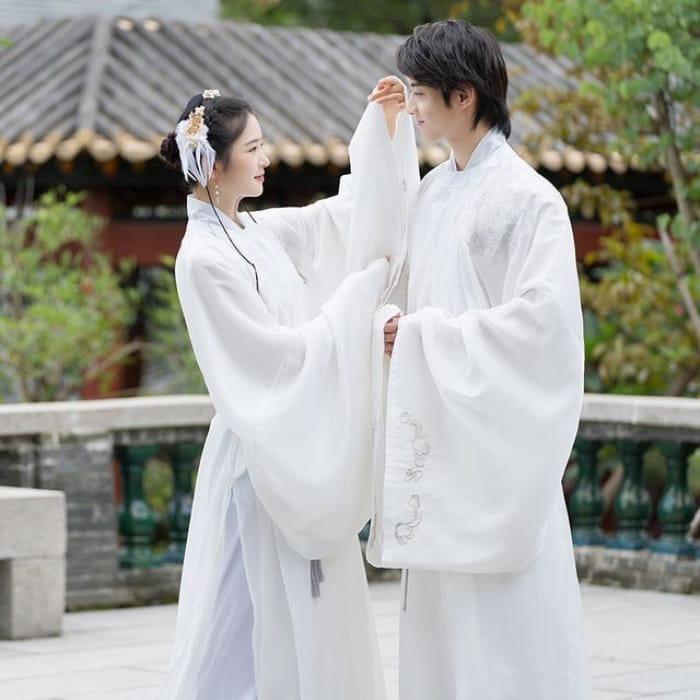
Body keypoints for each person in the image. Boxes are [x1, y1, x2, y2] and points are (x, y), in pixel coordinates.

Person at [155, 90, 417, 699]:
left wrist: (381, 132)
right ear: (214, 166)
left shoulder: (254, 229)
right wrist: (359, 305)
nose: (266, 158)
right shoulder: (202, 259)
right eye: (253, 149)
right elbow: (276, 362)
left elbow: (337, 220)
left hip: (295, 440)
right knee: (248, 623)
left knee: (303, 619)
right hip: (258, 455)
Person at [367, 20, 591, 700]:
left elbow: (543, 329)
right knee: (442, 628)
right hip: (440, 429)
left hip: (498, 449)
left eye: (421, 92)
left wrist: (423, 336)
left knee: (503, 630)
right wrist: (393, 326)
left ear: (463, 96)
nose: (413, 106)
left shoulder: (530, 200)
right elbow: (393, 278)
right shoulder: (433, 192)